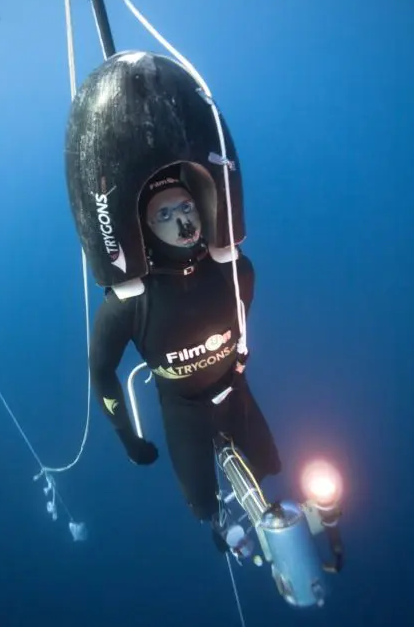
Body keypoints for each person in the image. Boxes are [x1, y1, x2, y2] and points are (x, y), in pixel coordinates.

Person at [89, 165, 281, 551]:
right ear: (144, 228)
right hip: (183, 408)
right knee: (204, 504)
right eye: (164, 214)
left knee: (270, 466)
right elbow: (101, 371)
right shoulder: (127, 305)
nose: (182, 221)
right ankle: (219, 523)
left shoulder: (236, 270)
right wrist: (128, 439)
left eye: (186, 207)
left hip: (235, 388)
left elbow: (241, 320)